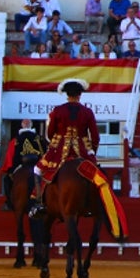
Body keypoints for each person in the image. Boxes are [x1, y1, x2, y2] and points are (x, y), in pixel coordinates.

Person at [30, 78, 99, 216]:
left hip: (59, 150)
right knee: (97, 174)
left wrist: (56, 141)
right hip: (82, 150)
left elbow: (50, 133)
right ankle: (93, 204)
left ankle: (39, 202)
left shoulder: (57, 110)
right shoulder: (87, 112)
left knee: (37, 169)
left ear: (67, 95)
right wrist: (92, 151)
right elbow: (95, 136)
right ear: (80, 95)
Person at [0, 118, 47, 211]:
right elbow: (44, 154)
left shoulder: (15, 140)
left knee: (6, 180)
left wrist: (10, 170)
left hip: (20, 166)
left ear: (22, 126)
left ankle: (9, 203)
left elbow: (10, 157)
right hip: (37, 167)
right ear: (31, 125)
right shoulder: (40, 138)